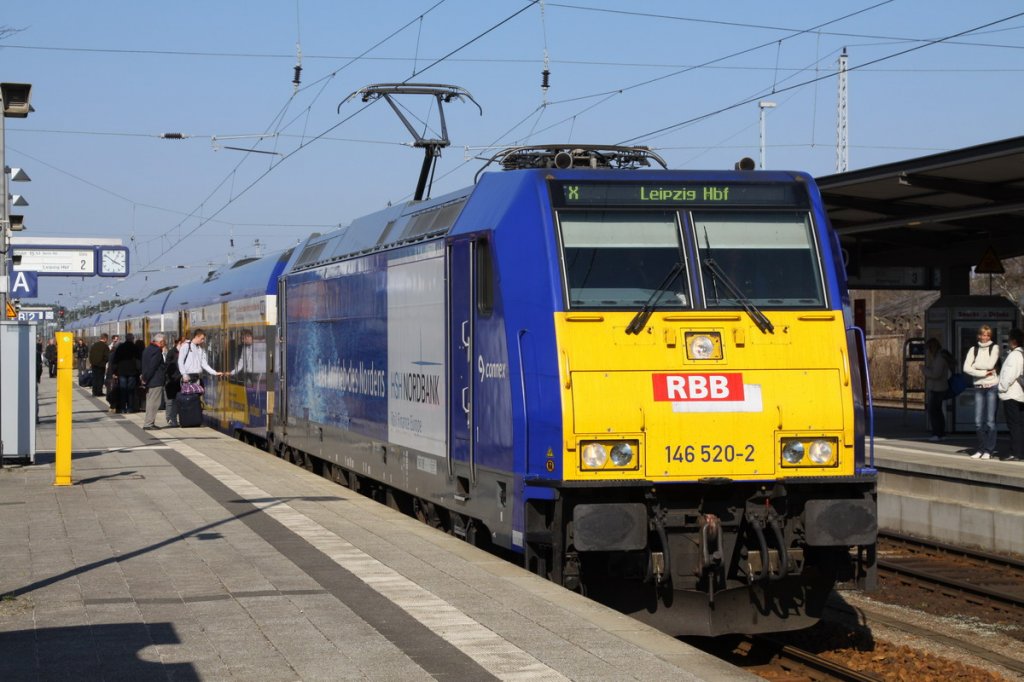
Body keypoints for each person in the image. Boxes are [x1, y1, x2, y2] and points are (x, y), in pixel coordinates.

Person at [964, 324, 1001, 460]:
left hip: (992, 386)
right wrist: (985, 373)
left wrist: (975, 367)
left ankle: (988, 450)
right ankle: (981, 448)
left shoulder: (994, 347)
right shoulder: (973, 350)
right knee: (978, 421)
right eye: (983, 335)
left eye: (988, 335)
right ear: (979, 335)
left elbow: (991, 364)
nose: (985, 337)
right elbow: (966, 368)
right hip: (978, 387)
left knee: (990, 421)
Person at [997, 328, 1024, 463]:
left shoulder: (1014, 356)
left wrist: (1002, 388)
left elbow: (1009, 374)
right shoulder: (1021, 354)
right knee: (1018, 424)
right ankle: (1019, 452)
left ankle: (1016, 452)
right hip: (1018, 394)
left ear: (1013, 340)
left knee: (1014, 425)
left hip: (1011, 394)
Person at [921, 338, 953, 441]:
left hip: (937, 388)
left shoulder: (939, 358)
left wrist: (924, 369)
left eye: (928, 349)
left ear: (932, 348)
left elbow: (936, 374)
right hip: (939, 387)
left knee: (933, 411)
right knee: (938, 411)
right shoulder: (939, 357)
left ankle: (937, 433)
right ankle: (941, 433)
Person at [140, 333, 168, 430]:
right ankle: (148, 424)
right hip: (155, 380)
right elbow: (152, 367)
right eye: (165, 341)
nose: (166, 343)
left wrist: (144, 378)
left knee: (150, 402)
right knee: (154, 403)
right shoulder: (157, 351)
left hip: (150, 380)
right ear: (161, 342)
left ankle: (149, 422)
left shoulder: (147, 349)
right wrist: (146, 378)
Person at [112, 333, 141, 413]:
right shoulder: (135, 348)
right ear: (132, 338)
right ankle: (130, 408)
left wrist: (114, 371)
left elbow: (115, 360)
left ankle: (122, 408)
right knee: (130, 390)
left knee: (123, 390)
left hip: (122, 372)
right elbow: (138, 360)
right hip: (132, 372)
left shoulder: (120, 347)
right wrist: (139, 371)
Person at [164, 336, 185, 427]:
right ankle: (171, 419)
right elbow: (168, 367)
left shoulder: (185, 352)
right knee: (171, 401)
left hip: (181, 380)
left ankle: (177, 419)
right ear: (179, 343)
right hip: (172, 381)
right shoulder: (171, 352)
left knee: (178, 401)